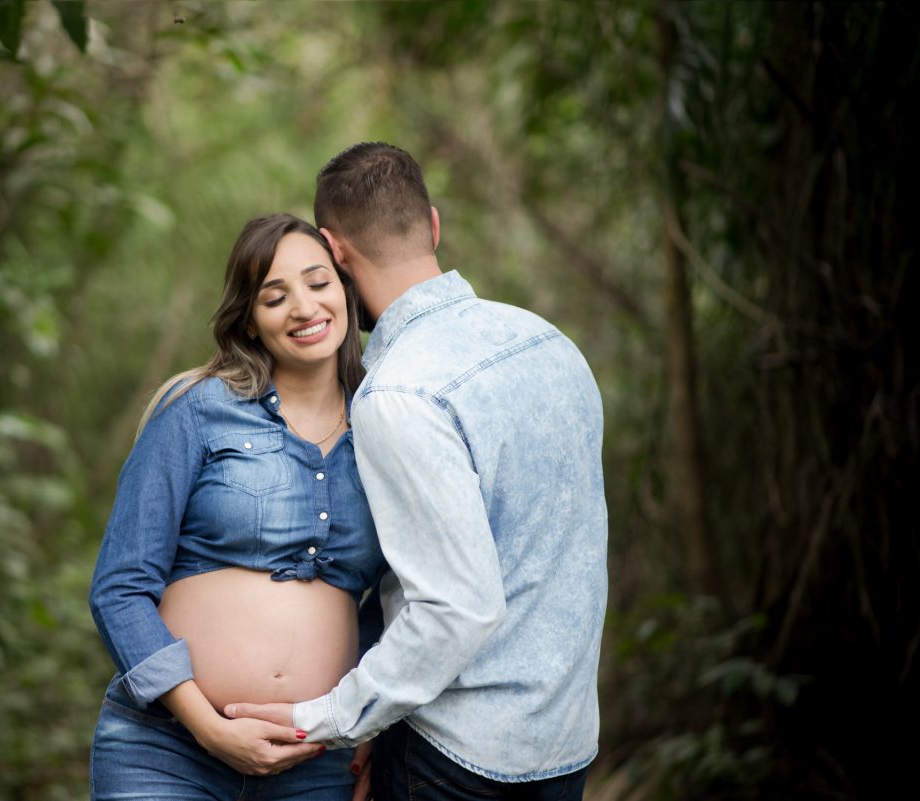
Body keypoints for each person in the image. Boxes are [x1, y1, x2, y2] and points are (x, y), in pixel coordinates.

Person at [225, 143, 609, 800]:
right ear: (431, 225)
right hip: (566, 747)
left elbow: (459, 606)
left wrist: (332, 717)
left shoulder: (399, 393)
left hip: (457, 758)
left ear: (333, 250)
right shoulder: (549, 342)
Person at [87, 213, 386, 800]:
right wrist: (209, 727)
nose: (303, 307)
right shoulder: (197, 409)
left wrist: (372, 721)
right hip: (168, 748)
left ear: (346, 292)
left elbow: (400, 600)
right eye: (275, 297)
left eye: (318, 283)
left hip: (319, 757)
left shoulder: (390, 426)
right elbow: (119, 586)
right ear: (249, 320)